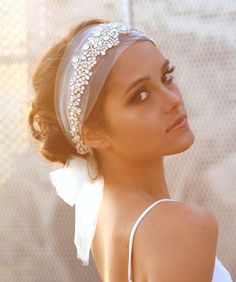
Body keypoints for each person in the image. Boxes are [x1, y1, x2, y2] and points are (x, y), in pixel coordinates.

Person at [28, 18, 233, 282]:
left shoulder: (106, 219)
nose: (173, 99)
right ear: (93, 133)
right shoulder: (180, 227)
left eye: (166, 77)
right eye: (141, 95)